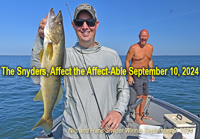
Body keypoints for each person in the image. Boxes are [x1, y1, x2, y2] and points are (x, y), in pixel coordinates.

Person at [31, 3, 130, 139]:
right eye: (79, 22)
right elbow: (37, 77)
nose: (85, 27)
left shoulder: (112, 56)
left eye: (90, 22)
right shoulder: (64, 57)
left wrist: (118, 111)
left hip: (109, 135)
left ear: (96, 24)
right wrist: (40, 39)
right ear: (73, 25)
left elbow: (124, 89)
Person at [125, 29, 155, 125]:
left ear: (148, 37)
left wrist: (152, 74)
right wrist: (129, 76)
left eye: (145, 36)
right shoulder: (133, 48)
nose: (143, 38)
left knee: (145, 95)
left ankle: (142, 114)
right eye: (142, 36)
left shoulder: (150, 47)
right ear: (139, 36)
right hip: (135, 74)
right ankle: (137, 117)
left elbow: (150, 60)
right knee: (139, 96)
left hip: (144, 74)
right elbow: (127, 61)